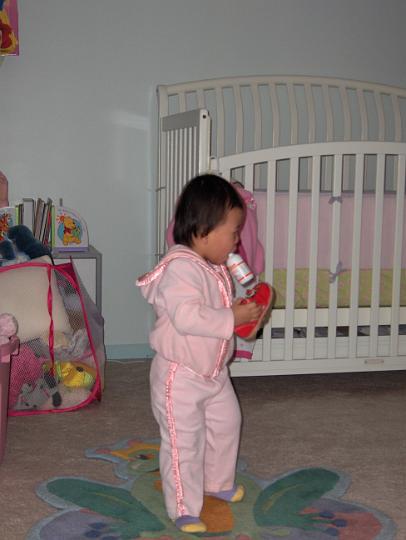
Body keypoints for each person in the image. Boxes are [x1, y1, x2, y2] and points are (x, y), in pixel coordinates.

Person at [136, 173, 264, 534]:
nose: (237, 240)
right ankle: (183, 507)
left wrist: (239, 312)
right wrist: (230, 317)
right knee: (184, 443)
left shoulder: (213, 266)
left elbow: (215, 309)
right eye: (233, 232)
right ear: (204, 231)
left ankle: (217, 482)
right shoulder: (180, 268)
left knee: (227, 424)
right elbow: (188, 316)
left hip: (213, 371)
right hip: (180, 375)